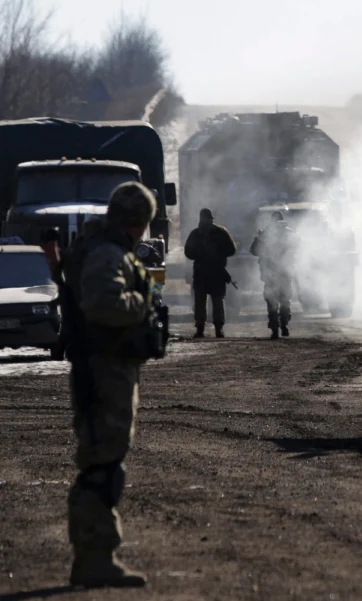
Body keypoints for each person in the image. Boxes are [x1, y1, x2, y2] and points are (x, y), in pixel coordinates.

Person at [54, 182, 164, 588]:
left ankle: (97, 555)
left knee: (105, 459)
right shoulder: (106, 253)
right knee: (101, 464)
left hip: (109, 367)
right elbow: (102, 304)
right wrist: (144, 304)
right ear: (140, 221)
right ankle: (94, 557)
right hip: (104, 370)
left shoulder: (106, 246)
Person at [183, 208, 237, 338]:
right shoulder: (218, 232)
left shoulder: (198, 233)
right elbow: (188, 252)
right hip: (210, 272)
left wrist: (214, 253)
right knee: (209, 302)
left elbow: (231, 250)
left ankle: (212, 328)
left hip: (208, 272)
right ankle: (208, 328)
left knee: (210, 302)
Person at [250, 211, 296, 339]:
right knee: (285, 300)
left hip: (270, 273)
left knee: (272, 301)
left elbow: (253, 251)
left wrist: (258, 239)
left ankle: (275, 327)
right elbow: (299, 247)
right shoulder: (289, 233)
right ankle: (284, 323)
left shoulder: (265, 234)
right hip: (285, 272)